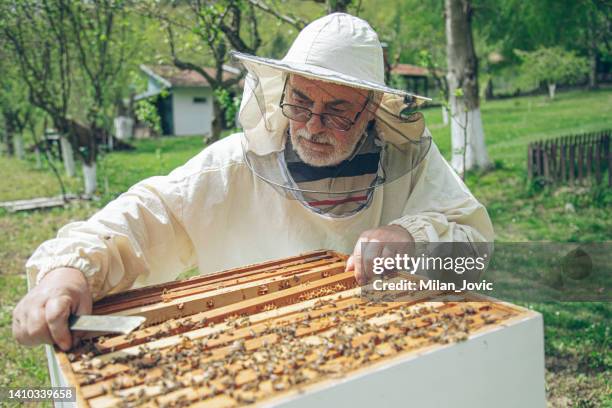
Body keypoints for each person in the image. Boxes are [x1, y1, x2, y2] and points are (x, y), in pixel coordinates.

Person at [13, 13, 494, 351]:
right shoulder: (229, 167)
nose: (311, 125)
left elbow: (474, 245)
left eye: (338, 111)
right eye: (301, 103)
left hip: (382, 360)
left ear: (371, 109)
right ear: (281, 92)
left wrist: (410, 238)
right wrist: (68, 272)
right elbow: (147, 212)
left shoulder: (412, 162)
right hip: (259, 359)